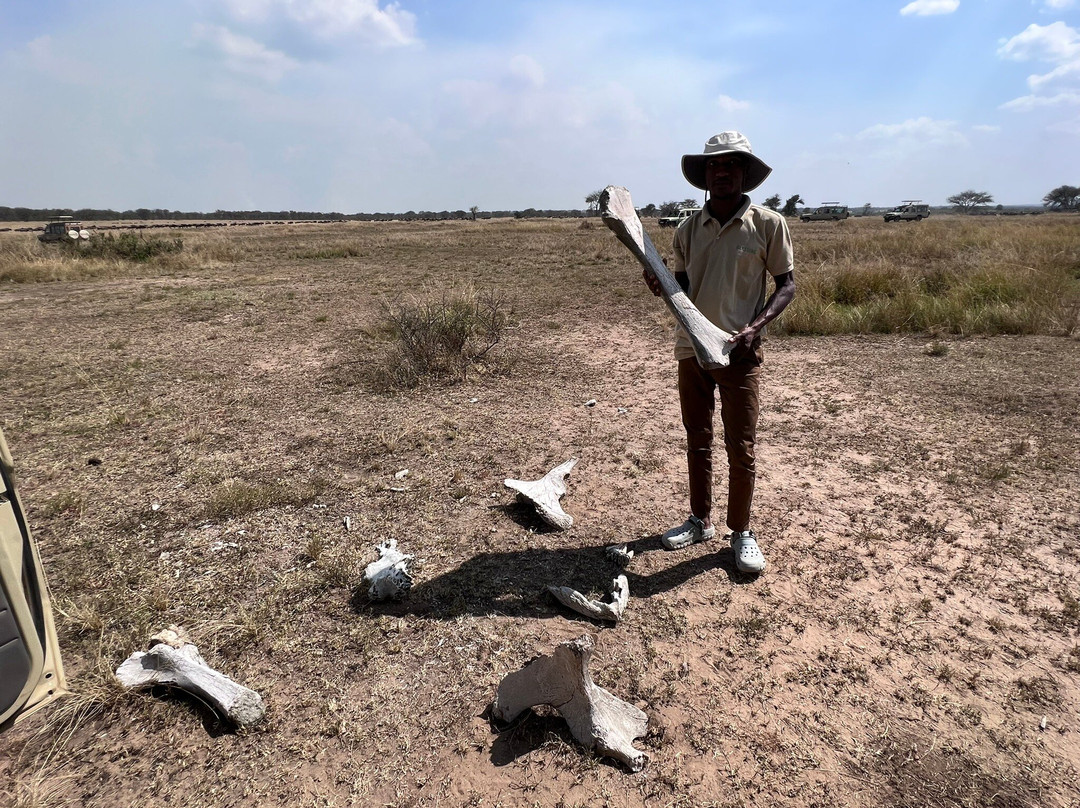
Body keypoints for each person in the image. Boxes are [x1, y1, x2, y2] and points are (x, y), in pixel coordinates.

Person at [643, 131, 795, 574]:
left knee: (741, 445)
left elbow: (787, 284)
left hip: (740, 354)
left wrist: (755, 328)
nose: (723, 172)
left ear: (745, 173)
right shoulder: (688, 228)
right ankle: (698, 520)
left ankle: (742, 532)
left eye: (732, 165)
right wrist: (662, 287)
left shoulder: (768, 224)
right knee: (698, 438)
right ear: (705, 174)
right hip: (691, 349)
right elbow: (685, 289)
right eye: (715, 165)